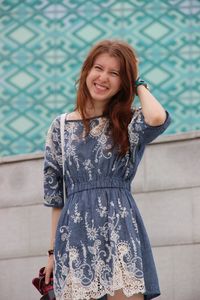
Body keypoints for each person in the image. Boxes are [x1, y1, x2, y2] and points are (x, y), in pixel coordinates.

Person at [43, 39, 171, 300]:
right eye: (98, 68)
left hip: (120, 230)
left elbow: (157, 118)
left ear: (124, 82)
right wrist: (52, 254)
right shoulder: (61, 126)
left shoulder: (129, 122)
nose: (103, 78)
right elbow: (56, 197)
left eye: (115, 73)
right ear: (86, 71)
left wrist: (139, 84)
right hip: (75, 236)